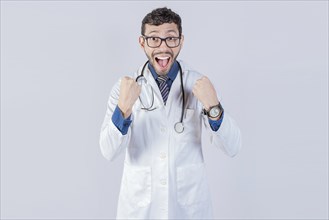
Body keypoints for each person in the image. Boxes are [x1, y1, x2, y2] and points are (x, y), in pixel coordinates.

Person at [99, 7, 241, 219]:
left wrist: (214, 107)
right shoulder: (124, 88)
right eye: (154, 39)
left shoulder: (198, 84)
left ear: (181, 41)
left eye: (171, 38)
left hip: (188, 207)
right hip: (140, 207)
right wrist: (124, 110)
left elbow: (233, 147)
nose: (163, 47)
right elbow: (108, 151)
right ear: (142, 43)